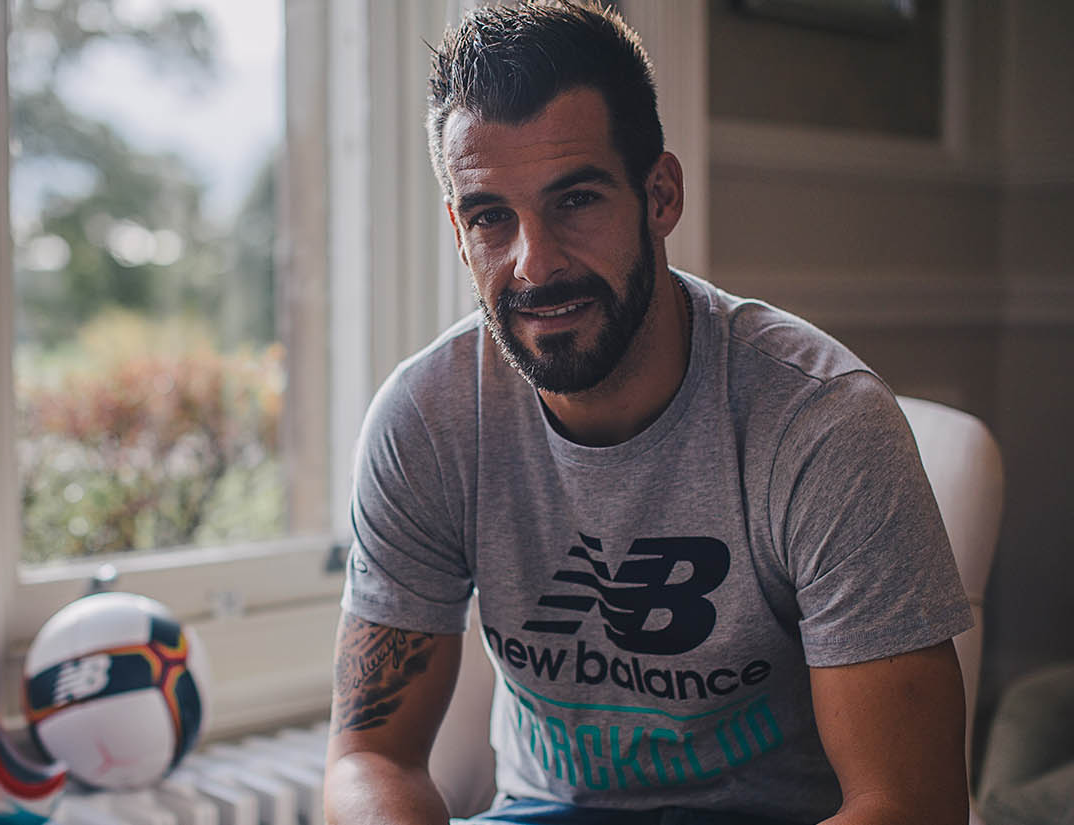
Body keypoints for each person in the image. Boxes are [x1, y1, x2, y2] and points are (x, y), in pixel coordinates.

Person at [323, 3, 973, 824]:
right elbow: (370, 756)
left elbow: (911, 804)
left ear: (659, 194)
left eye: (575, 200)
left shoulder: (822, 424)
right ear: (459, 231)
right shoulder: (426, 419)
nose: (534, 263)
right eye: (491, 216)